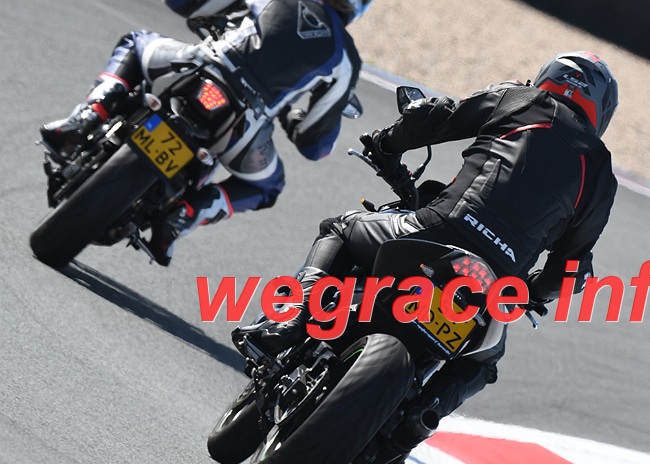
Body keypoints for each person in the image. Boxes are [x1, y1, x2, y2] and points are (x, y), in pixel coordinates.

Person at [234, 50, 619, 425]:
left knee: (343, 228)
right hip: (495, 284)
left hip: (438, 229)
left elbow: (434, 117)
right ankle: (412, 426)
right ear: (601, 111)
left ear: (548, 76)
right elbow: (572, 268)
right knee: (483, 360)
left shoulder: (521, 98)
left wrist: (386, 144)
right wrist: (534, 292)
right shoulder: (601, 171)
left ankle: (292, 315)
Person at [40, 0, 372, 266]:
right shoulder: (346, 59)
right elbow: (315, 144)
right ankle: (186, 215)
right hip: (242, 126)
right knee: (267, 186)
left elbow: (185, 4)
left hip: (196, 68)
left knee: (136, 43)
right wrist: (293, 117)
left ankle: (85, 117)